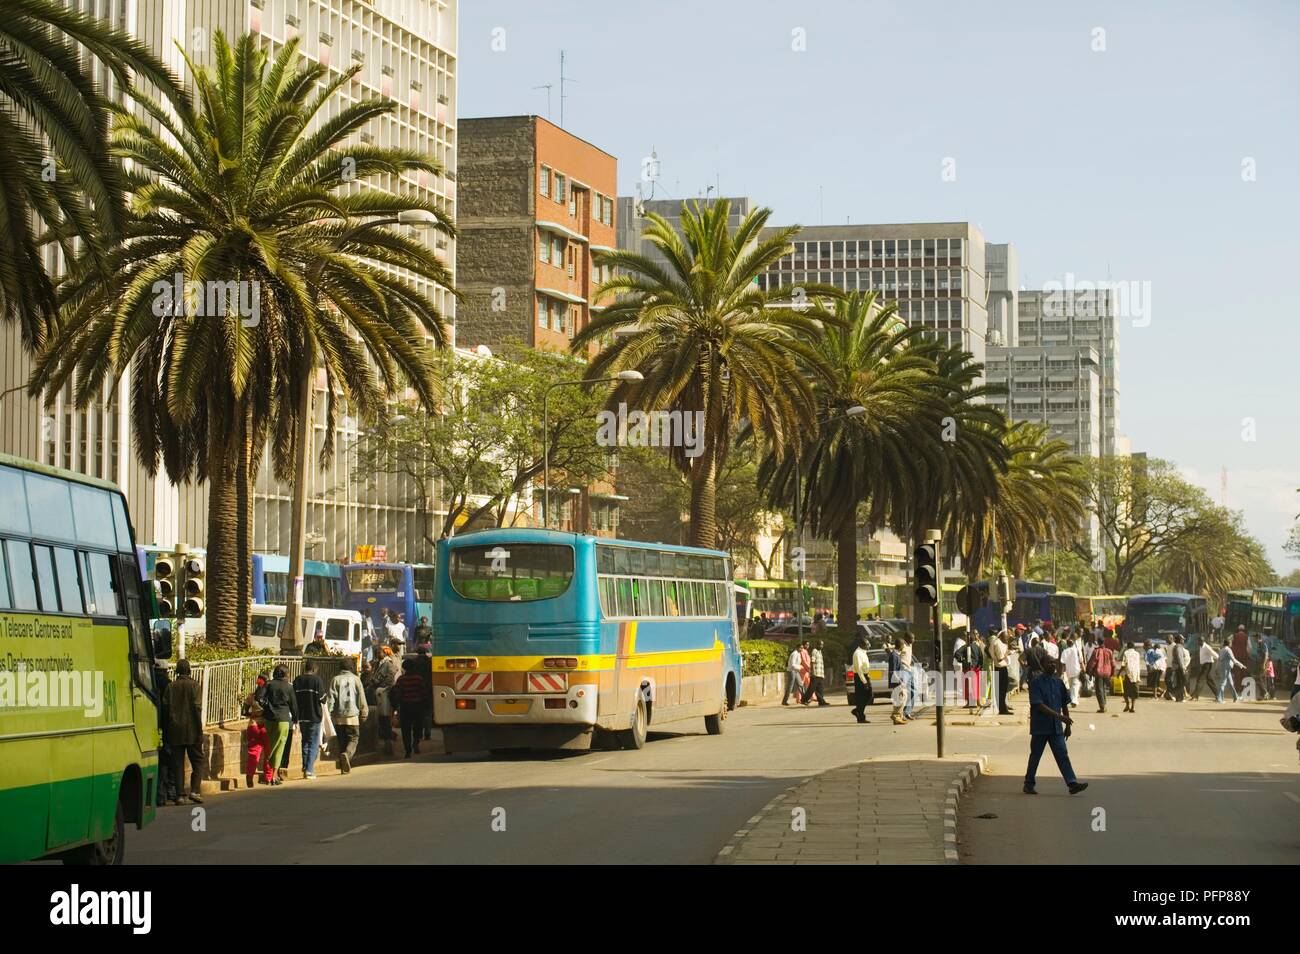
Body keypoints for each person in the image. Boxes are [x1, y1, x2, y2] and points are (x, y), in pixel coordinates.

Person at [1023, 648, 1088, 796]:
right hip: (1041, 726)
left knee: (1062, 754)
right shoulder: (1036, 683)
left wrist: (1067, 724)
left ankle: (1072, 783)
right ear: (1042, 665)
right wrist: (1060, 717)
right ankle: (1028, 783)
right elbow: (1038, 704)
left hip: (1056, 728)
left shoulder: (1058, 682)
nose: (1053, 665)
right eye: (1049, 663)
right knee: (1036, 755)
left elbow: (1064, 703)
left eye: (1054, 663)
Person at [161, 659, 204, 805]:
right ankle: (194, 790)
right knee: (198, 761)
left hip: (174, 730)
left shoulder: (171, 687)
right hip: (192, 730)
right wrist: (200, 730)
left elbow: (165, 709)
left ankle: (180, 795)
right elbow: (197, 709)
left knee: (177, 763)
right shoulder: (194, 685)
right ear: (189, 670)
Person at [328, 657, 369, 773]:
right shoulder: (356, 679)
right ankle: (347, 754)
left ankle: (343, 768)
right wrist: (364, 713)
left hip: (339, 717)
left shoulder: (335, 679)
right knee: (353, 738)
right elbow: (361, 697)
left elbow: (331, 700)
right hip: (352, 716)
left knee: (342, 741)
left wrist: (329, 713)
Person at [260, 665, 299, 784]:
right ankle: (273, 775)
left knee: (271, 745)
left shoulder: (269, 684)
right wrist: (296, 720)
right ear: (285, 674)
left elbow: (259, 697)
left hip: (268, 719)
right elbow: (294, 706)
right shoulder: (289, 687)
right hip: (282, 719)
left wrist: (266, 708)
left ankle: (268, 774)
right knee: (279, 747)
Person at [293, 660, 328, 779]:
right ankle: (309, 769)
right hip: (314, 716)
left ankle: (305, 765)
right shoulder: (317, 680)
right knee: (313, 743)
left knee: (305, 741)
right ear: (313, 669)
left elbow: (293, 699)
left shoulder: (297, 680)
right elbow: (323, 699)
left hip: (301, 717)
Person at [392, 659, 428, 757]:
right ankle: (416, 743)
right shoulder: (418, 679)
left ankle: (408, 750)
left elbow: (396, 691)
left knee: (406, 729)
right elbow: (424, 693)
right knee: (418, 726)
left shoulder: (401, 679)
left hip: (405, 706)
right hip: (417, 706)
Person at [1084, 634, 1115, 713]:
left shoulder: (1096, 651)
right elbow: (1113, 664)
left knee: (1099, 690)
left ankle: (1102, 707)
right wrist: (1112, 674)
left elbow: (1092, 664)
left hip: (1099, 673)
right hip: (1107, 673)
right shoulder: (1109, 651)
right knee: (1103, 689)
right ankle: (1104, 704)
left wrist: (1089, 673)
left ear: (1097, 642)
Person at [850, 634, 874, 723]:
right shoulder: (857, 654)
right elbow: (859, 669)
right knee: (861, 697)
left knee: (869, 696)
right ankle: (860, 716)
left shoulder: (863, 652)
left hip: (865, 676)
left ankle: (858, 711)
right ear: (862, 644)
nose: (869, 646)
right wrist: (864, 681)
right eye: (867, 644)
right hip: (860, 677)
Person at [988, 627, 1012, 715]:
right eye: (1006, 637)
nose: (1007, 639)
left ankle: (1003, 707)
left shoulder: (1000, 643)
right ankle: (1002, 709)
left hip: (1001, 668)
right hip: (1000, 668)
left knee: (1002, 690)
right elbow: (999, 658)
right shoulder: (997, 643)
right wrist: (1007, 653)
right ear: (1001, 636)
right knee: (1001, 691)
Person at [415, 644, 435, 739]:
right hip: (428, 690)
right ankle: (427, 733)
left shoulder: (414, 662)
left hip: (417, 691)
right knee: (428, 713)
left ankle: (418, 735)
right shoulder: (430, 662)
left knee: (418, 714)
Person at [803, 640, 829, 706]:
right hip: (815, 673)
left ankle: (821, 702)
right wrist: (813, 672)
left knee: (820, 689)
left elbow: (820, 663)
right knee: (811, 688)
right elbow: (812, 662)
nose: (821, 646)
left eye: (822, 645)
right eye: (820, 644)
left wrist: (823, 673)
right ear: (817, 644)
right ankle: (804, 700)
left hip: (820, 674)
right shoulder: (814, 651)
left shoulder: (820, 652)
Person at [1060, 633, 1083, 707]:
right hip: (1076, 670)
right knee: (1075, 685)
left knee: (1070, 685)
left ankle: (1073, 699)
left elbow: (1063, 663)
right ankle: (1074, 700)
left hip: (1069, 671)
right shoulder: (1076, 650)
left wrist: (1062, 672)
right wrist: (1083, 668)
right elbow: (1081, 661)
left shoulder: (1065, 651)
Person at [1167, 635, 1190, 702]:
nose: (1183, 641)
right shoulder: (1178, 647)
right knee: (1184, 681)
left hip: (1177, 666)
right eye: (1182, 640)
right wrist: (1183, 668)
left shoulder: (1176, 647)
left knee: (1179, 682)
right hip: (1179, 667)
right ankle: (1173, 692)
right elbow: (1180, 659)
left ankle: (1179, 698)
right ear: (1180, 640)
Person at [1120, 642, 1142, 713]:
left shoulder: (1126, 653)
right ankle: (1132, 707)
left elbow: (1123, 664)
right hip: (1135, 675)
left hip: (1128, 674)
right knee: (1134, 691)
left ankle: (1127, 705)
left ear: (1127, 647)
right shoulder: (1137, 654)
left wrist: (1118, 673)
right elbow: (1138, 664)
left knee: (1125, 691)